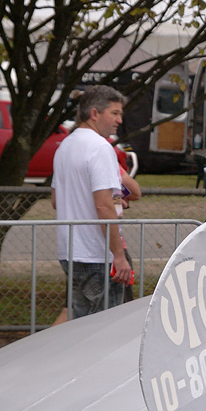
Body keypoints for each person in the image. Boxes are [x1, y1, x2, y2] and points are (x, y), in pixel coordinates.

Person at [51, 85, 131, 321]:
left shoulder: (65, 146)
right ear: (94, 113)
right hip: (96, 255)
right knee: (102, 330)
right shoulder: (100, 147)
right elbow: (103, 206)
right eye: (114, 113)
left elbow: (56, 199)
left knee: (80, 325)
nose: (119, 120)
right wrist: (118, 255)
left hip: (70, 251)